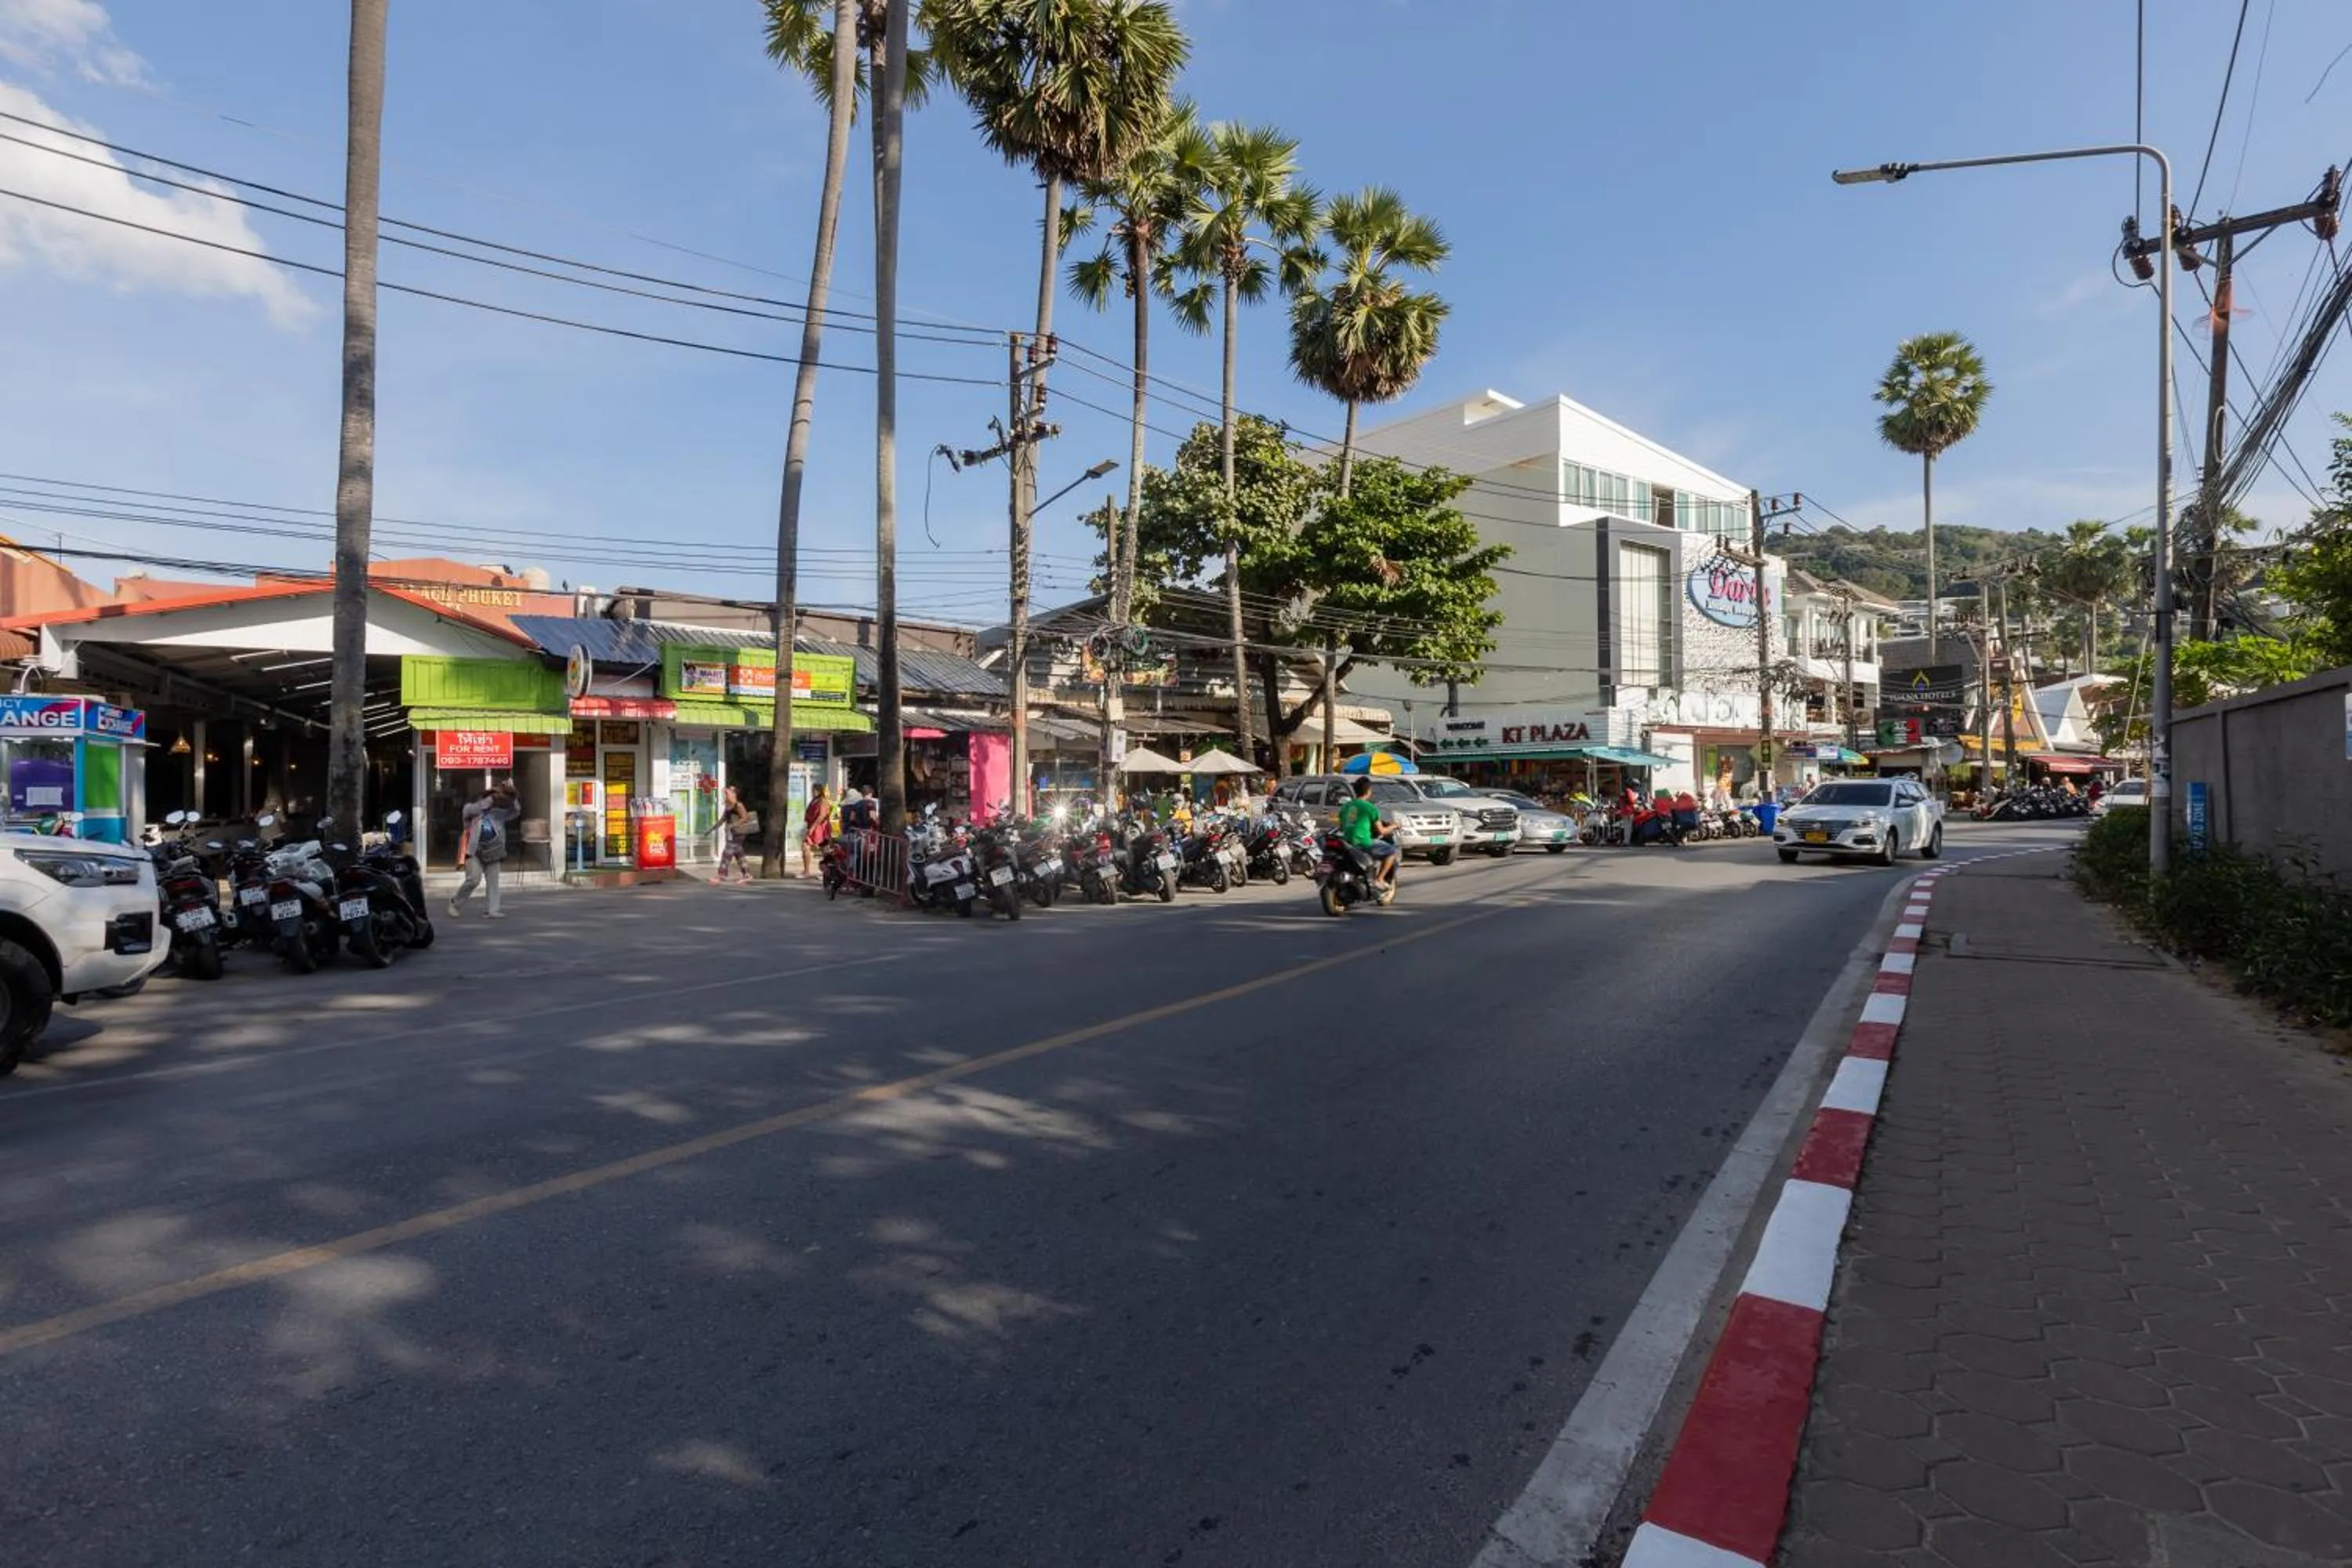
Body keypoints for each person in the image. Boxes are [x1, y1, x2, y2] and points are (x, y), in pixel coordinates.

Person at [450, 781, 519, 919]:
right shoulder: (476, 810)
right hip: (474, 850)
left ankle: (492, 910)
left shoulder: (501, 813)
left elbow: (516, 811)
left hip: (494, 850)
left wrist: (513, 795)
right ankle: (455, 903)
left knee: (493, 881)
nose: (497, 801)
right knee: (473, 880)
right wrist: (487, 802)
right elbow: (467, 810)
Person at [1340, 775, 1398, 891]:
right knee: (1391, 852)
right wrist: (1395, 826)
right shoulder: (1370, 808)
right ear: (1368, 791)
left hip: (1347, 843)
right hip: (1363, 843)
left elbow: (1343, 826)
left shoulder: (1346, 806)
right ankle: (1379, 879)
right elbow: (1382, 831)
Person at [714, 785, 756, 884]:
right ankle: (747, 875)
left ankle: (721, 875)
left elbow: (745, 818)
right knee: (739, 854)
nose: (725, 795)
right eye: (725, 793)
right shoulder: (729, 806)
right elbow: (723, 819)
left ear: (734, 794)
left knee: (727, 853)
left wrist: (733, 825)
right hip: (732, 833)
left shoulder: (739, 805)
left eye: (727, 793)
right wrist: (713, 828)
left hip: (738, 833)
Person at [799, 783, 831, 877]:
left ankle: (827, 872)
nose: (814, 792)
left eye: (816, 790)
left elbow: (821, 816)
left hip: (821, 828)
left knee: (824, 849)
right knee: (805, 846)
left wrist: (813, 828)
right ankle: (806, 871)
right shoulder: (814, 801)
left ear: (820, 791)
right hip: (812, 826)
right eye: (813, 790)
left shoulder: (823, 801)